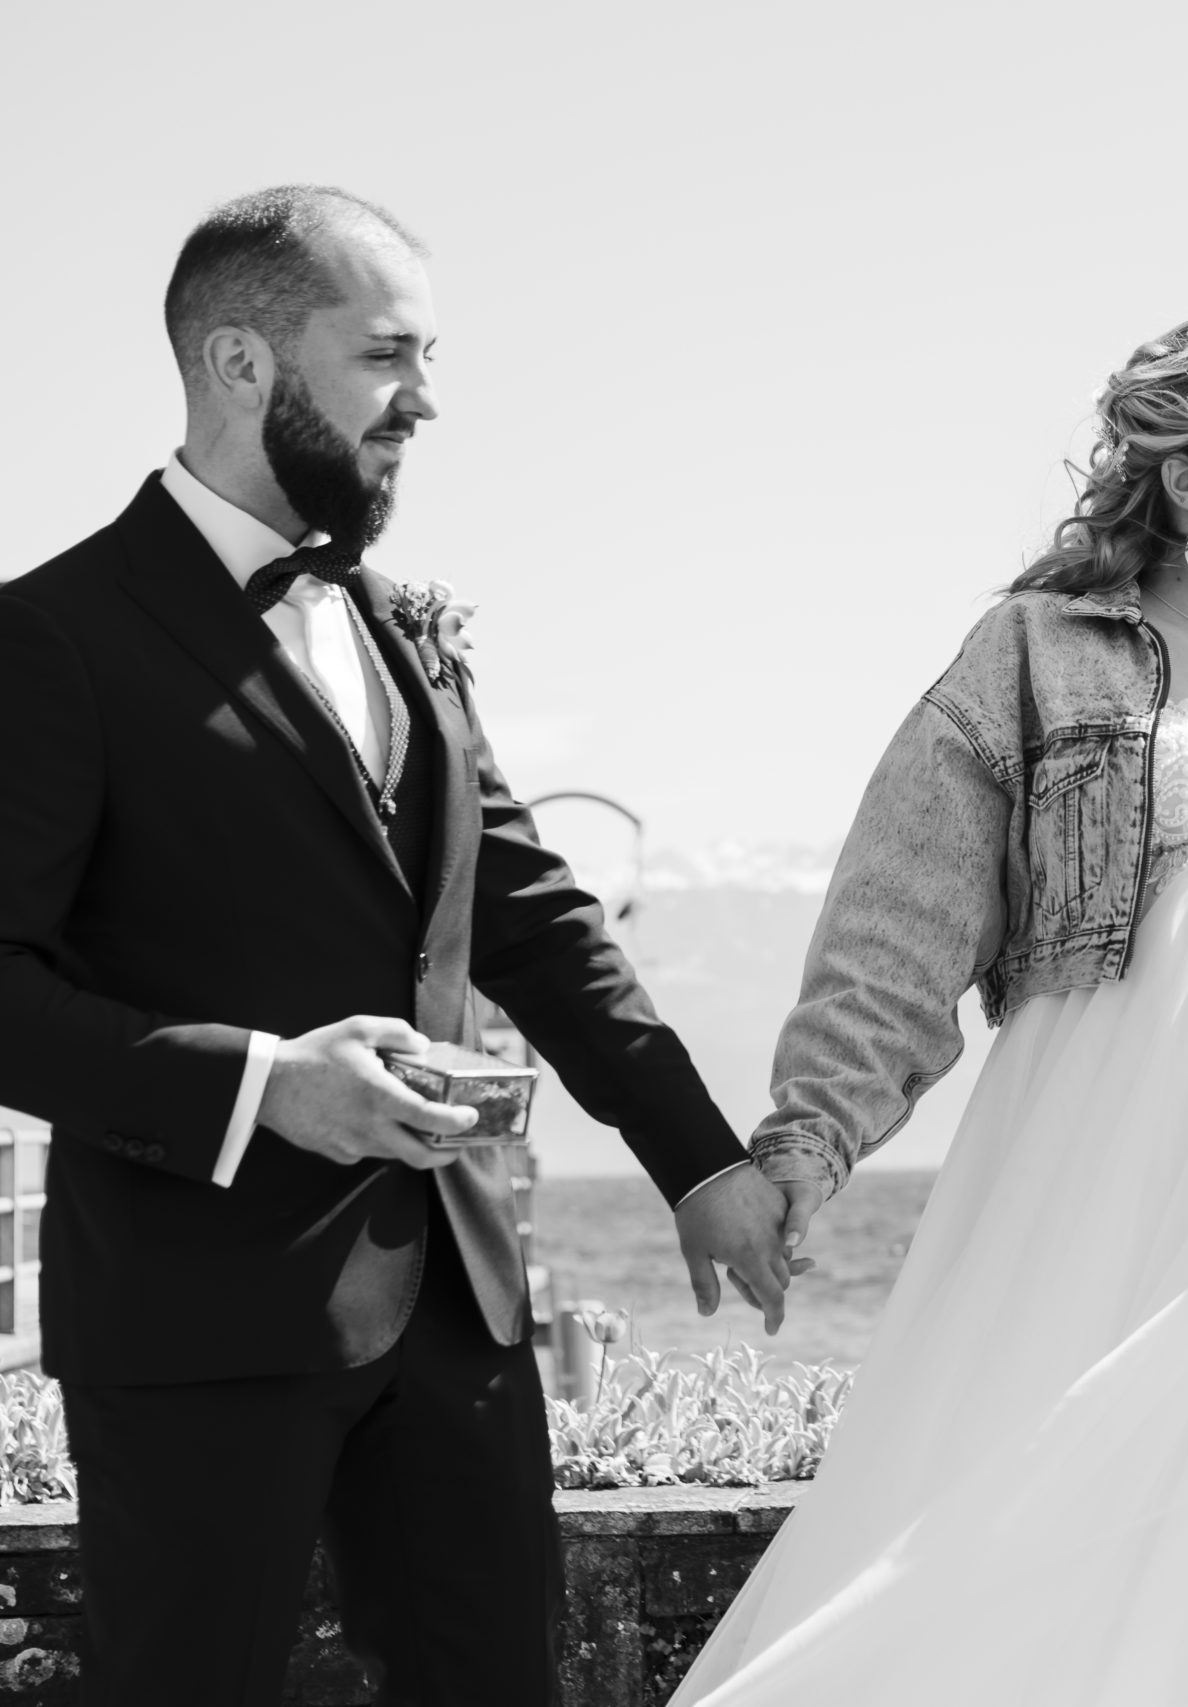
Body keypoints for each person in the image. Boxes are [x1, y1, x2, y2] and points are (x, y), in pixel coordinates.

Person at [0, 186, 799, 1706]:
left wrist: (702, 1167)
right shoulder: (50, 638)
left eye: (428, 358)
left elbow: (535, 920)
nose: (424, 400)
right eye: (386, 355)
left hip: (457, 1315)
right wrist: (263, 1084)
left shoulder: (399, 631)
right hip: (196, 1322)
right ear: (241, 363)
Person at [669, 315, 1188, 1707]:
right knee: (1032, 1494)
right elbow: (904, 908)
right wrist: (808, 1136)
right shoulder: (1037, 650)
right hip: (1120, 1154)